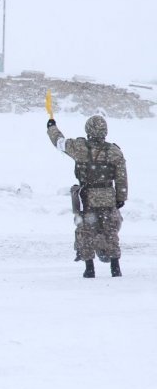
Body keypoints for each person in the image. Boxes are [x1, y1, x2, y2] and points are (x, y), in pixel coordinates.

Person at [47, 115, 127, 278]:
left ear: (88, 129)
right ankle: (115, 267)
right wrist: (120, 198)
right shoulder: (114, 152)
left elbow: (59, 142)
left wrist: (51, 127)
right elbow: (121, 178)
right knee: (110, 231)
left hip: (87, 198)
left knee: (86, 231)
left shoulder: (79, 147)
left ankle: (89, 268)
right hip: (108, 197)